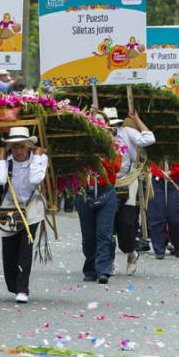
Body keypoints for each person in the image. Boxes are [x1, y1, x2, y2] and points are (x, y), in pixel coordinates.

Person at [0, 127, 48, 303]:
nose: (18, 151)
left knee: (26, 246)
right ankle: (14, 285)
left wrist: (38, 156)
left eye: (22, 147)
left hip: (32, 206)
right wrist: (1, 158)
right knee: (9, 250)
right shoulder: (5, 161)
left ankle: (23, 288)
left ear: (29, 147)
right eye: (15, 147)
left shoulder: (39, 159)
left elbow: (35, 179)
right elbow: (0, 180)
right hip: (11, 206)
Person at [103, 108, 155, 276]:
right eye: (106, 125)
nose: (110, 129)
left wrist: (137, 119)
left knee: (126, 223)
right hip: (106, 182)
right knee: (106, 225)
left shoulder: (127, 132)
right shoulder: (99, 135)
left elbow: (149, 138)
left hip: (127, 179)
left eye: (112, 125)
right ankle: (107, 261)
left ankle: (131, 253)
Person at [76, 118, 121, 284]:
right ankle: (90, 266)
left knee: (104, 233)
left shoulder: (113, 147)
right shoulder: (81, 145)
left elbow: (115, 167)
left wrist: (100, 158)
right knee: (88, 236)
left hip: (106, 192)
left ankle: (103, 270)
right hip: (85, 192)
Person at [148, 152, 179, 259]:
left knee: (174, 218)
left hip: (173, 181)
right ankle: (159, 248)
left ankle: (176, 243)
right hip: (157, 180)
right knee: (157, 216)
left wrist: (173, 172)